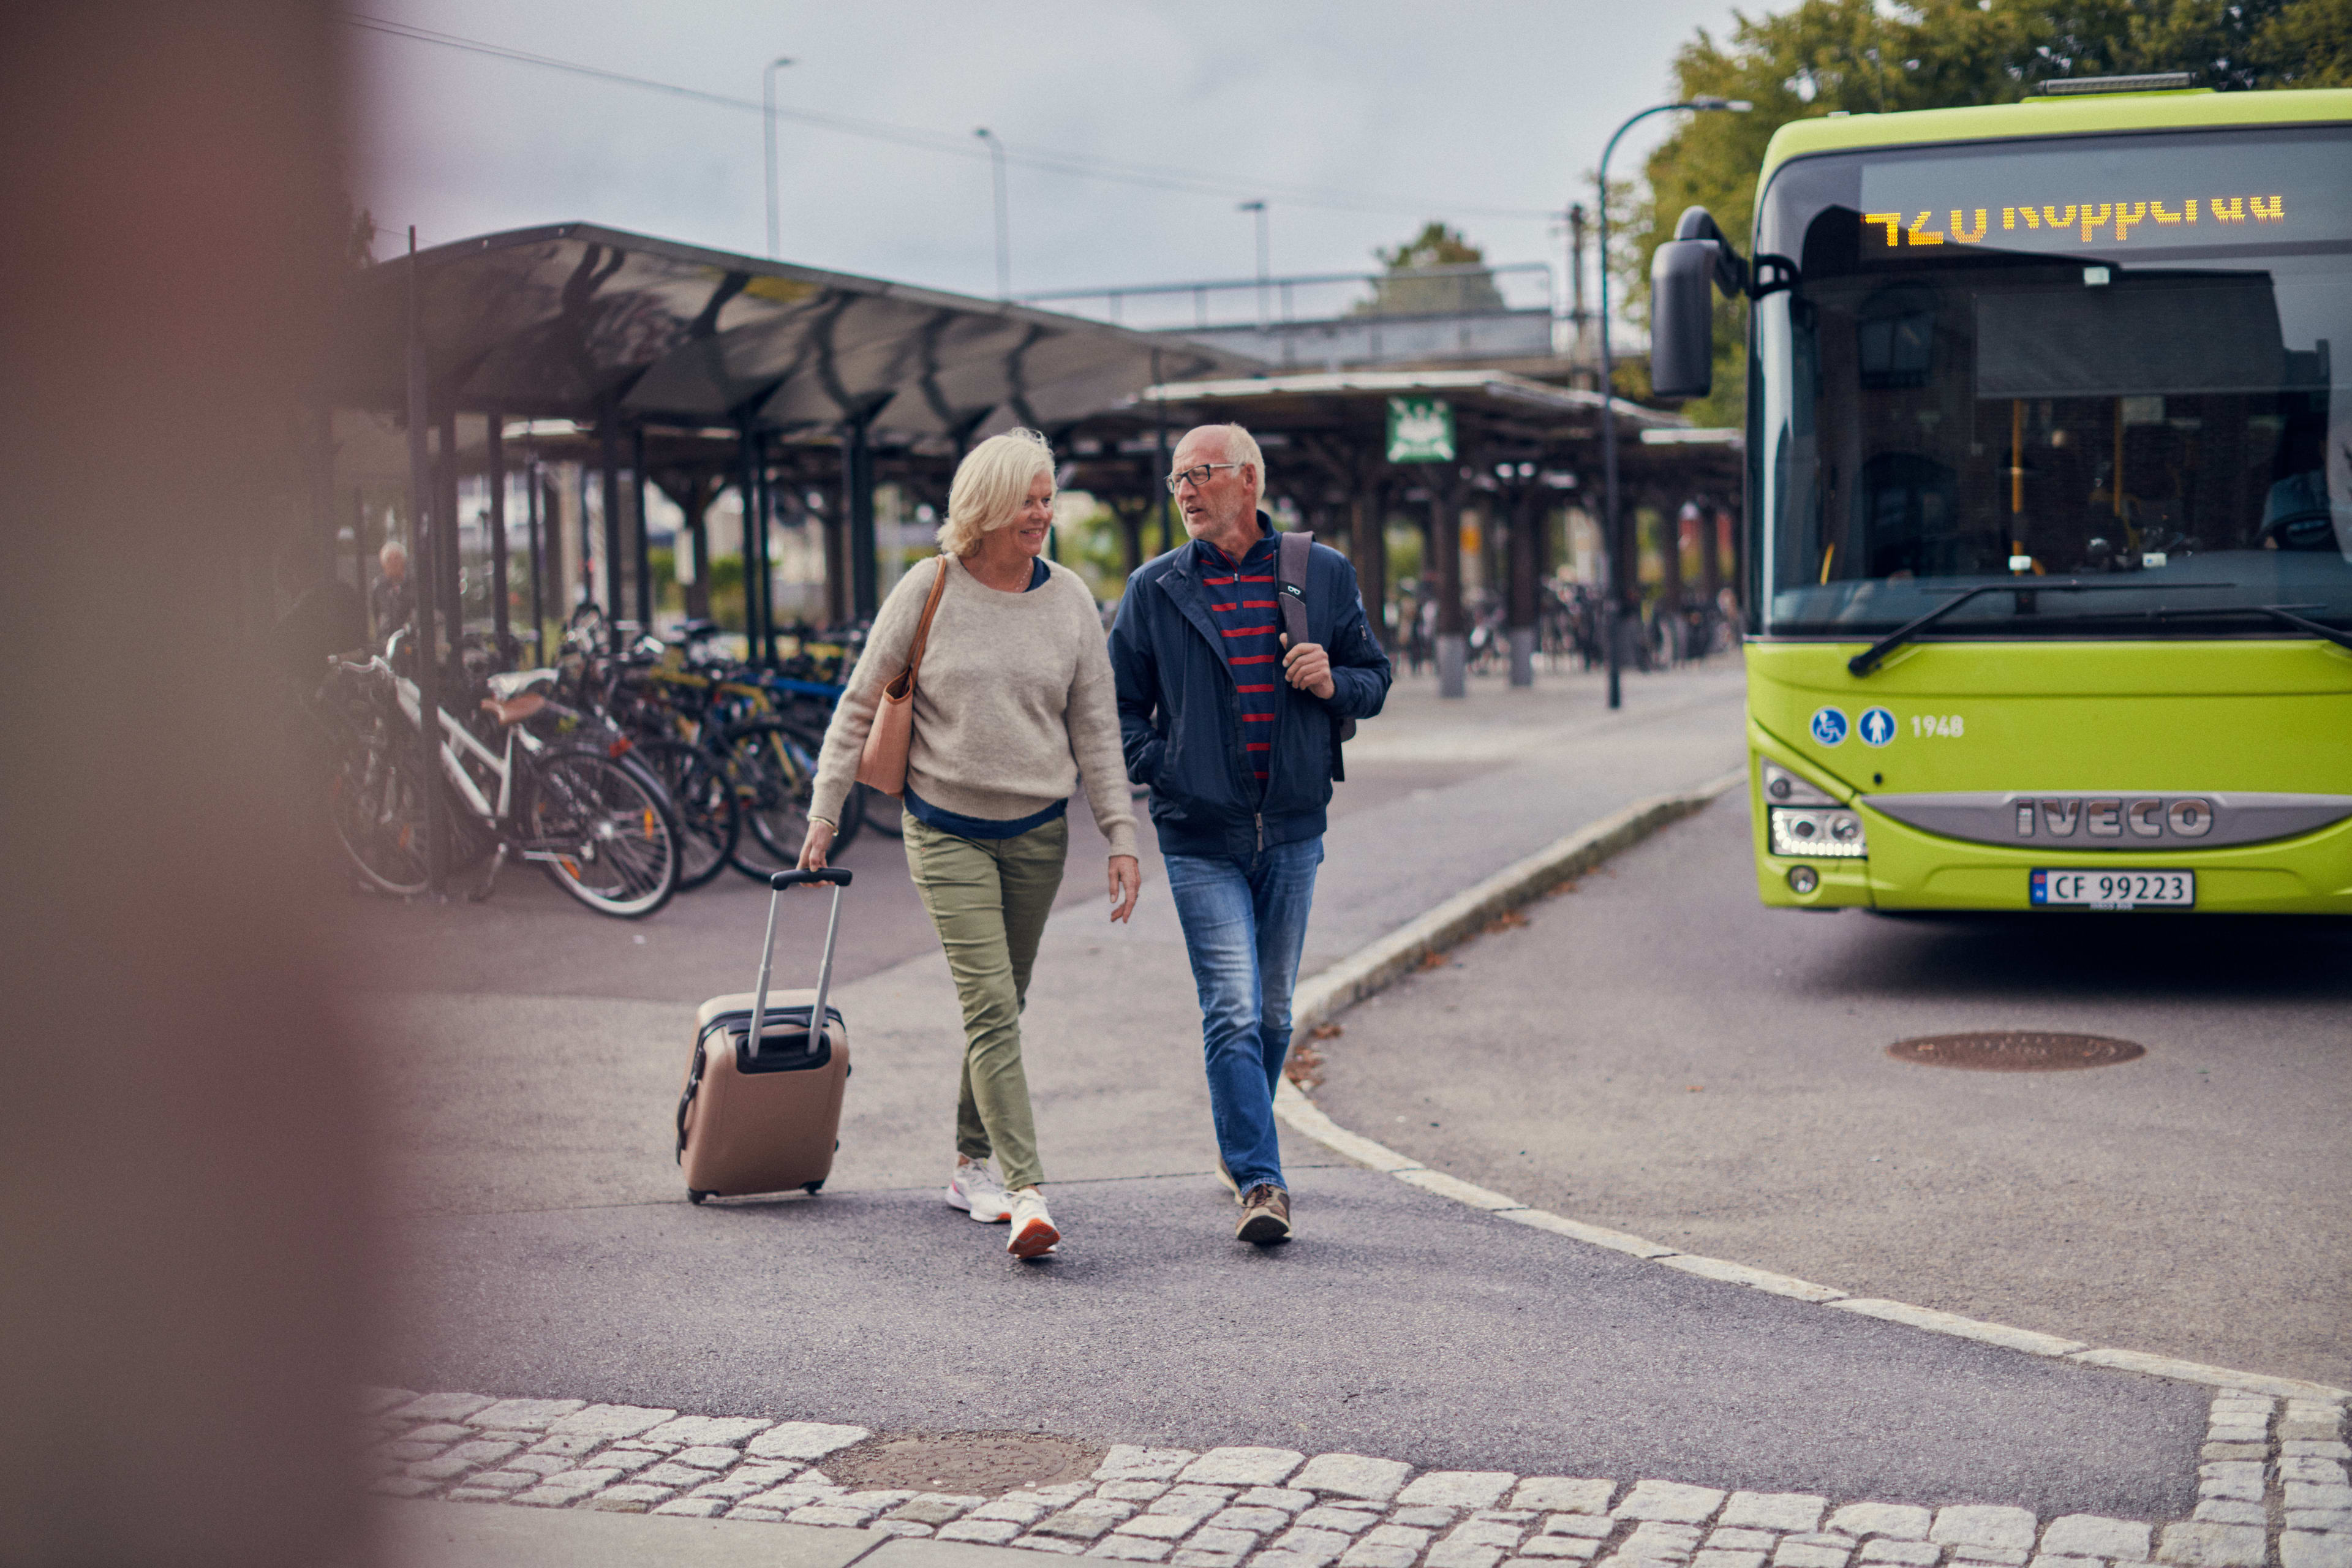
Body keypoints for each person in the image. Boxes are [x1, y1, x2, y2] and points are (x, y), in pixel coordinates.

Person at [799, 428, 1139, 1261]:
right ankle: (1027, 1191)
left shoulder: (1070, 602)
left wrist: (1120, 836)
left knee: (1003, 1007)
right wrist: (824, 811)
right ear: (984, 505)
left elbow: (1096, 727)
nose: (1042, 513)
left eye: (1048, 496)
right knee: (991, 1008)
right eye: (1027, 498)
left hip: (1036, 836)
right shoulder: (929, 587)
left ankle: (968, 1165)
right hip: (945, 827)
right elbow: (857, 704)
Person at [1108, 423, 1392, 1245]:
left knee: (1271, 1014)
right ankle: (1262, 1181)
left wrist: (1335, 681)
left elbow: (1375, 678)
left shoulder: (1319, 574)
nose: (1187, 492)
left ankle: (1241, 1141)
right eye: (1176, 481)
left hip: (1295, 830)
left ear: (1249, 482)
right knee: (1231, 1008)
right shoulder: (1155, 588)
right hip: (1199, 836)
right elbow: (1118, 703)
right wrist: (1164, 763)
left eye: (1200, 475)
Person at [370, 540, 414, 641]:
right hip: (386, 640)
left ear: (403, 561)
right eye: (389, 560)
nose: (393, 563)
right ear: (384, 564)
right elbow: (376, 614)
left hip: (410, 640)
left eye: (397, 559)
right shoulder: (378, 587)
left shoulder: (414, 585)